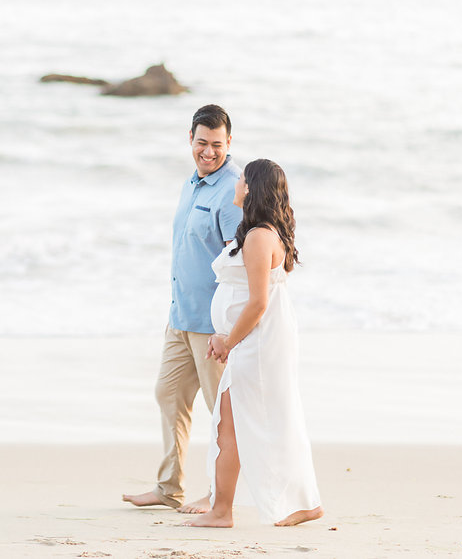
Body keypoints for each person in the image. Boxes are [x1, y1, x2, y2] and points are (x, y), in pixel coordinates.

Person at [185, 159, 323, 528]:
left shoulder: (261, 236)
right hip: (254, 339)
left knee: (233, 425)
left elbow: (259, 302)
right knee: (256, 421)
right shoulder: (256, 231)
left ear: (252, 189)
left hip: (258, 343)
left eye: (243, 179)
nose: (236, 183)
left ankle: (222, 511)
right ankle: (289, 503)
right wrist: (224, 335)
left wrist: (228, 340)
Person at [122, 105, 243, 513]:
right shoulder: (192, 184)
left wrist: (226, 328)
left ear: (230, 144)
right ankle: (168, 487)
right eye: (202, 143)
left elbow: (238, 261)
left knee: (221, 413)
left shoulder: (232, 190)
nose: (208, 152)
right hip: (179, 316)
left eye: (217, 145)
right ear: (189, 139)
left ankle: (217, 494)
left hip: (211, 325)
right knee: (168, 394)